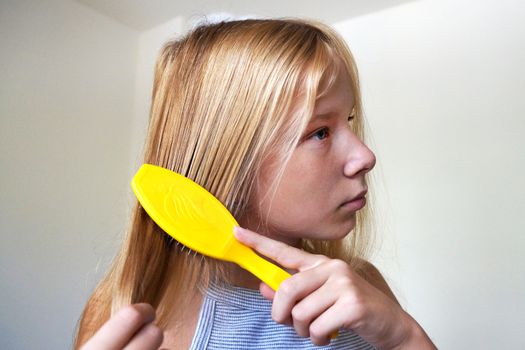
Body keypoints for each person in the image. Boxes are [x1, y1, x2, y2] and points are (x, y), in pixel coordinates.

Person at [74, 18, 437, 349]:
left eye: (351, 120)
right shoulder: (127, 312)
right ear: (227, 156)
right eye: (320, 132)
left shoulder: (364, 289)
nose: (365, 156)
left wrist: (403, 336)